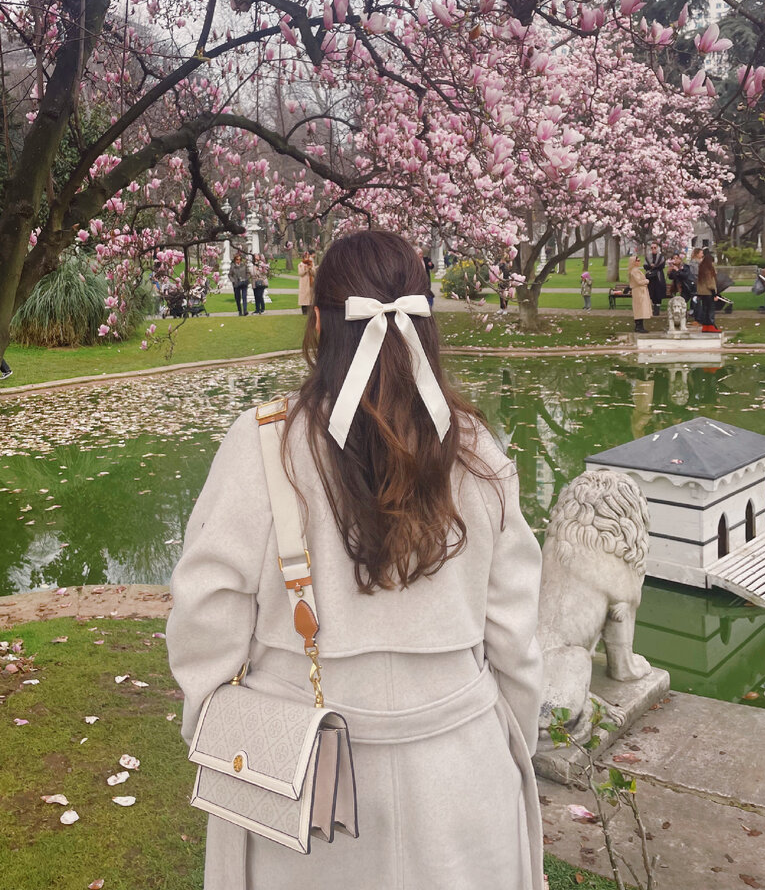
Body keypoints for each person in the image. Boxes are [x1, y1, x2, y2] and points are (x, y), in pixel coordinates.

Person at [167, 230, 544, 890]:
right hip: (461, 772)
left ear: (319, 324)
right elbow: (515, 635)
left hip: (299, 782)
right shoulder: (477, 450)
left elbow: (205, 615)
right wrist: (508, 740)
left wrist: (220, 729)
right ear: (425, 326)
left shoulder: (264, 444)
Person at [628, 252, 651, 334]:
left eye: (639, 260)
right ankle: (638, 326)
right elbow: (639, 281)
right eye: (637, 260)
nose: (639, 262)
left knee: (641, 308)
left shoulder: (637, 270)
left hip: (641, 290)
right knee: (639, 308)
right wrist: (646, 281)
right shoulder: (634, 271)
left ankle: (640, 326)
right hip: (638, 291)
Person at [696, 249, 719, 332]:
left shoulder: (701, 268)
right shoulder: (709, 270)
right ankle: (711, 325)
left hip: (702, 293)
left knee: (705, 309)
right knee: (710, 310)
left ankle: (705, 326)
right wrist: (714, 293)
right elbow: (710, 283)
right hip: (709, 292)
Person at [643, 242, 666, 317]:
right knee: (652, 293)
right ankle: (653, 309)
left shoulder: (661, 257)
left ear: (657, 248)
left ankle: (657, 310)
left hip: (659, 277)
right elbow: (645, 266)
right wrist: (651, 266)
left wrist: (654, 266)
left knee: (658, 293)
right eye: (652, 248)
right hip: (651, 278)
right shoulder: (648, 257)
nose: (653, 249)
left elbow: (662, 266)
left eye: (655, 247)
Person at [228, 251, 251, 316]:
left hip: (244, 283)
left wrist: (246, 278)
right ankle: (240, 311)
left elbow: (248, 273)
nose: (239, 261)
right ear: (235, 260)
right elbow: (229, 275)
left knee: (244, 297)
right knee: (237, 298)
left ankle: (245, 310)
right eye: (237, 259)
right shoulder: (232, 266)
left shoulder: (244, 265)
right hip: (236, 284)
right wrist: (233, 281)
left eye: (240, 259)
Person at [298, 249, 316, 315]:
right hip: (304, 282)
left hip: (310, 282)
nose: (307, 258)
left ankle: (310, 310)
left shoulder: (311, 263)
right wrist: (306, 269)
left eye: (307, 257)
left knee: (310, 296)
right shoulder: (301, 264)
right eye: (305, 257)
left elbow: (314, 273)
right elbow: (300, 273)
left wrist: (310, 269)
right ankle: (304, 310)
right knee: (304, 296)